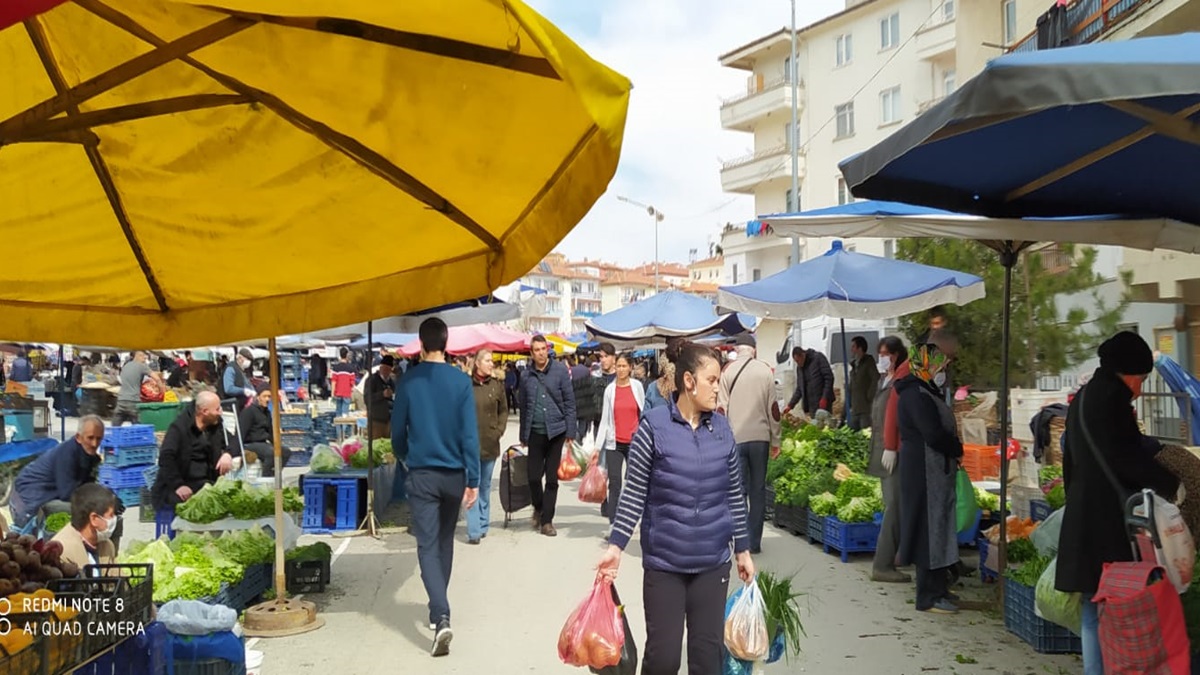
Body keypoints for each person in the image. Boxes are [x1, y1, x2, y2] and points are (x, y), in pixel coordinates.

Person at [598, 341, 755, 675]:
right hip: (665, 564)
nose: (717, 387)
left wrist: (742, 550)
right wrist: (616, 547)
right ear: (688, 381)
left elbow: (734, 494)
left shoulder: (722, 429)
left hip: (712, 564)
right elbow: (634, 492)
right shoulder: (654, 426)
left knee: (706, 657)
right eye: (712, 380)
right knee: (663, 657)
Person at [1056, 331, 1180, 675]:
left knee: (1091, 612)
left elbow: (1072, 460)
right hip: (1106, 521)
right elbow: (1125, 457)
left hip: (1082, 514)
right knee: (1115, 611)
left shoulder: (1083, 398)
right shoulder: (1113, 400)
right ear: (1125, 372)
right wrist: (1170, 483)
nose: (1140, 388)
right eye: (1140, 379)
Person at [391, 318, 480, 657]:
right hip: (455, 474)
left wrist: (404, 455)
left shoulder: (409, 382)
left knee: (427, 545)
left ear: (420, 342)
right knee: (444, 541)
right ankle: (437, 610)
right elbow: (469, 435)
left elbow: (397, 433)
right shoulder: (460, 382)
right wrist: (473, 479)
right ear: (447, 342)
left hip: (422, 473)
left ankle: (440, 613)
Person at [894, 334, 963, 614]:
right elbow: (933, 434)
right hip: (924, 471)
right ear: (926, 364)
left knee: (939, 528)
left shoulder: (925, 390)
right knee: (928, 531)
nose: (942, 371)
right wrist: (956, 447)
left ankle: (940, 587)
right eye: (940, 366)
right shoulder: (914, 394)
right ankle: (928, 596)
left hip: (935, 469)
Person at [717, 333, 780, 555]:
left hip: (736, 439)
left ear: (737, 350)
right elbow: (774, 409)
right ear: (754, 349)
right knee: (758, 490)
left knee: (738, 491)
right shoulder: (765, 371)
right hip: (760, 439)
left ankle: (741, 540)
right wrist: (776, 439)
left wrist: (722, 439)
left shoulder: (728, 371)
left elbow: (721, 409)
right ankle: (755, 542)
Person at [518, 335, 577, 537]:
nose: (541, 353)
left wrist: (571, 430)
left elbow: (569, 402)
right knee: (533, 477)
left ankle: (547, 522)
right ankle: (539, 507)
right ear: (532, 353)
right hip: (535, 433)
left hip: (556, 432)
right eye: (537, 350)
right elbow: (523, 406)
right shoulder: (526, 376)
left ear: (548, 349)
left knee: (551, 479)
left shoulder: (560, 371)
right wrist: (523, 435)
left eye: (543, 348)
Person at [11, 415, 105, 531]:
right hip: (29, 498)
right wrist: (99, 503)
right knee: (90, 512)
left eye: (99, 439)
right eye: (90, 438)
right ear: (78, 438)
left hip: (51, 495)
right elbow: (68, 494)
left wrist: (107, 498)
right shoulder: (67, 454)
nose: (94, 444)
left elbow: (87, 487)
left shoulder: (90, 456)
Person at [869, 336, 911, 583]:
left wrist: (892, 446)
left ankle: (888, 560)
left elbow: (896, 415)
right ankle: (883, 564)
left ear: (895, 355)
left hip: (894, 449)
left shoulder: (901, 378)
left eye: (885, 354)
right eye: (880, 354)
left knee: (895, 506)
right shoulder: (886, 379)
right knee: (894, 506)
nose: (881, 358)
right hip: (886, 450)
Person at [151, 391, 238, 509]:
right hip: (181, 484)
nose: (221, 412)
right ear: (205, 411)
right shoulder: (179, 428)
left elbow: (234, 440)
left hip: (206, 482)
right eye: (217, 409)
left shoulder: (216, 425)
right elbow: (166, 458)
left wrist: (228, 454)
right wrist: (178, 485)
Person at [597, 353, 645, 526]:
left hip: (634, 442)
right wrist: (597, 447)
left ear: (631, 368)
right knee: (614, 482)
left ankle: (634, 519)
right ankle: (613, 524)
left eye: (624, 366)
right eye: (618, 366)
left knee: (634, 482)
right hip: (614, 443)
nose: (621, 369)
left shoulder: (637, 386)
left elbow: (643, 412)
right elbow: (604, 419)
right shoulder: (610, 390)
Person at [467, 349, 507, 546]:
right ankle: (473, 530)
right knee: (471, 485)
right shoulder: (466, 385)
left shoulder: (497, 386)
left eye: (492, 361)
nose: (492, 364)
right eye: (488, 361)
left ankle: (483, 524)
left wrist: (499, 430)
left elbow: (504, 411)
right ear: (478, 363)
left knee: (484, 486)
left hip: (490, 443)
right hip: (470, 444)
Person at [51, 483, 118, 570]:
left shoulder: (107, 545)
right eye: (111, 515)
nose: (114, 519)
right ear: (94, 518)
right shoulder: (62, 551)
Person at [239, 386, 291, 477]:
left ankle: (275, 475)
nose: (267, 399)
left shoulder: (267, 413)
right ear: (258, 397)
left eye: (269, 397)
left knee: (286, 451)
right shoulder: (249, 411)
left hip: (263, 443)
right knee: (271, 452)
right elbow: (241, 432)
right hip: (250, 443)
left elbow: (270, 432)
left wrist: (277, 444)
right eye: (264, 396)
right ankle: (266, 478)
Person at [783, 346, 835, 417]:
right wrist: (790, 405)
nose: (797, 363)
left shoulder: (818, 358)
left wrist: (825, 397)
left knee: (825, 424)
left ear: (803, 355)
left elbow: (829, 378)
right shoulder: (800, 369)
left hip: (823, 402)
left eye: (798, 361)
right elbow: (799, 389)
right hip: (811, 405)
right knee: (815, 426)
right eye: (796, 361)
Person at [114, 351, 162, 425]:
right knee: (137, 428)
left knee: (115, 428)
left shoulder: (126, 366)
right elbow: (157, 379)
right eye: (143, 355)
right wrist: (163, 392)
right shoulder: (142, 366)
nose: (145, 357)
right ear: (138, 356)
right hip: (133, 402)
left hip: (121, 400)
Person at [847, 336, 880, 431]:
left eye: (853, 347)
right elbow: (851, 388)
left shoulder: (868, 362)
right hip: (854, 410)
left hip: (866, 410)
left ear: (860, 348)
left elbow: (876, 379)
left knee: (865, 437)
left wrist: (869, 396)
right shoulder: (854, 366)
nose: (851, 349)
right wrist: (844, 412)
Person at [364, 355, 397, 441]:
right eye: (385, 369)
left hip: (389, 421)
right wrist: (382, 394)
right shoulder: (372, 380)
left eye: (389, 370)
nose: (386, 372)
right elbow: (367, 399)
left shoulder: (391, 382)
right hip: (376, 421)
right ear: (381, 368)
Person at [570, 355, 599, 442]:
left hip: (575, 396)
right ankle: (580, 436)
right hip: (584, 397)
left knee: (575, 418)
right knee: (582, 419)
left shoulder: (573, 369)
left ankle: (575, 435)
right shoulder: (587, 370)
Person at [592, 343, 617, 435]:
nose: (603, 360)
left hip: (616, 424)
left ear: (614, 358)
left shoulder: (620, 378)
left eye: (606, 356)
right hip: (599, 425)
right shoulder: (595, 377)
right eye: (601, 357)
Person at [330, 348, 357, 417]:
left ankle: (338, 427)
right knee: (345, 414)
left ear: (340, 355)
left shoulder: (336, 368)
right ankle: (344, 427)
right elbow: (352, 382)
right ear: (347, 355)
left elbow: (333, 381)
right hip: (347, 393)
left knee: (338, 413)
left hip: (338, 393)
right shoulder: (351, 368)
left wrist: (332, 393)